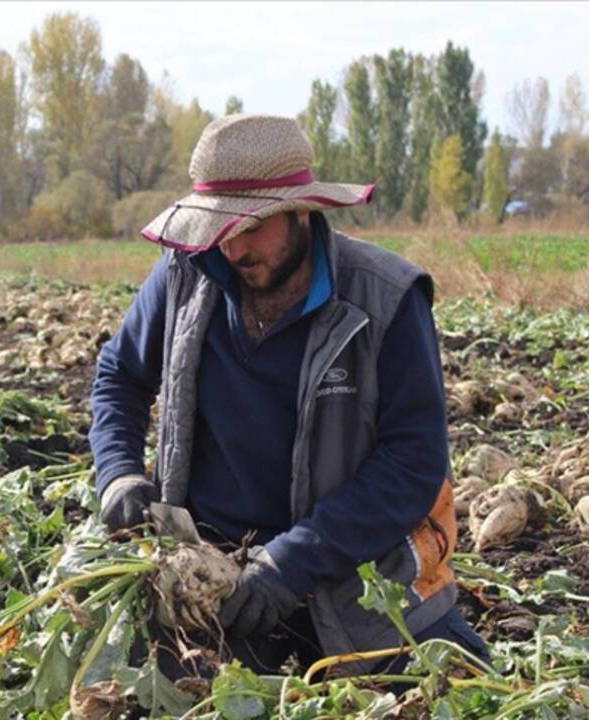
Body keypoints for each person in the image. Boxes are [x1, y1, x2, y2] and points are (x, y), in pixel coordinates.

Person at [89, 115, 488, 677]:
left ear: (301, 209)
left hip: (357, 573)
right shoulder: (185, 274)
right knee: (139, 690)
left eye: (250, 227)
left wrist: (293, 560)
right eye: (219, 229)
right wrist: (119, 473)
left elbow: (415, 462)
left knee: (464, 691)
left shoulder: (386, 300)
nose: (233, 248)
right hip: (217, 575)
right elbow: (119, 375)